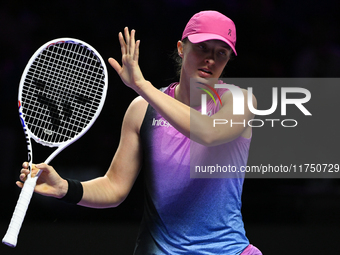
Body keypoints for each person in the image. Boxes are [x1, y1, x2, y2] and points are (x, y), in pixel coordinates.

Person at [19, 11, 262, 254]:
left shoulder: (240, 100)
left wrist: (141, 86)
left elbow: (208, 132)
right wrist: (64, 188)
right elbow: (114, 187)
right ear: (181, 48)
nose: (210, 58)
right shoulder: (142, 110)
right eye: (202, 47)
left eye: (221, 53)